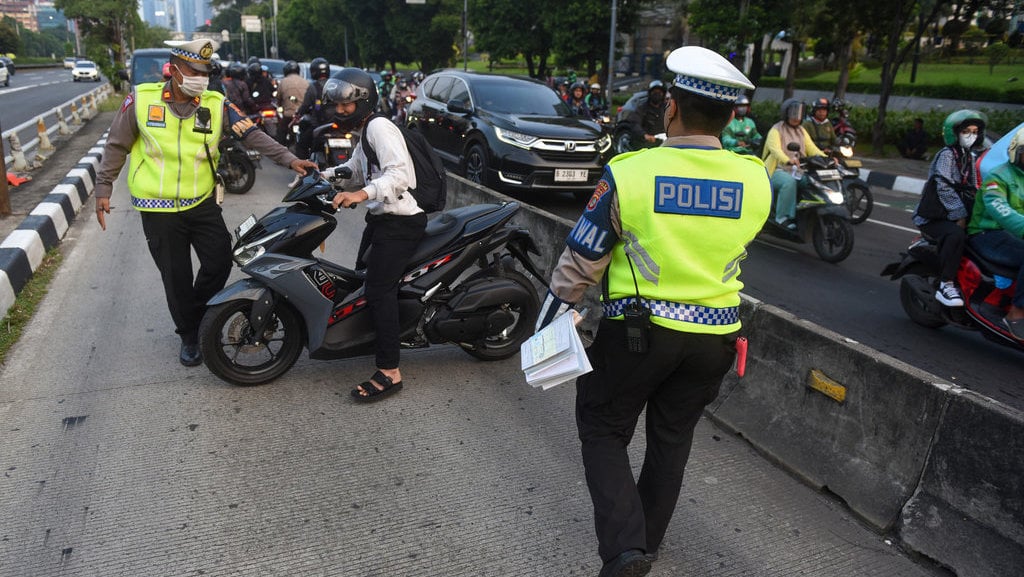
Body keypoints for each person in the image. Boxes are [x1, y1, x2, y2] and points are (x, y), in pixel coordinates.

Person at [534, 45, 770, 577]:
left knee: (602, 424)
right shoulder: (755, 178)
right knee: (673, 437)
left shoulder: (631, 172)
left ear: (670, 108)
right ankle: (650, 541)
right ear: (733, 116)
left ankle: (624, 551)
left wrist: (549, 321)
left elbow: (582, 261)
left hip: (638, 334)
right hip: (716, 337)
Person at [93, 39, 318, 366]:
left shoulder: (216, 103)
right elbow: (116, 146)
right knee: (176, 276)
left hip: (201, 202)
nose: (201, 77)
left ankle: (197, 315)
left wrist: (289, 159)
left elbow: (251, 133)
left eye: (206, 72)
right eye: (195, 71)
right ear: (175, 67)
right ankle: (189, 334)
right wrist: (104, 187)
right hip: (158, 209)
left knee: (219, 262)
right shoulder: (141, 100)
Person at [318, 68, 427, 403]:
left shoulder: (380, 127)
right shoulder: (365, 131)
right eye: (336, 105)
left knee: (379, 290)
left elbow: (400, 175)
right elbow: (354, 170)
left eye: (346, 105)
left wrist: (361, 196)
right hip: (381, 221)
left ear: (363, 102)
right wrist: (321, 176)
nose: (340, 111)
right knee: (363, 279)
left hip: (401, 222)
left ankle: (391, 371)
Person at [912, 109, 987, 307]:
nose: (971, 135)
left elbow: (973, 186)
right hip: (935, 216)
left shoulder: (968, 156)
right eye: (966, 131)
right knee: (956, 235)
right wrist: (960, 215)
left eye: (974, 131)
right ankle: (946, 284)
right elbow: (943, 187)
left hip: (953, 212)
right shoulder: (947, 155)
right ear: (955, 133)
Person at [968, 127, 1024, 337]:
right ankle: (1016, 314)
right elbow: (1000, 209)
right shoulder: (999, 176)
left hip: (1013, 235)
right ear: (1016, 152)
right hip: (988, 234)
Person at [762, 98, 828, 230]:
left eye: (799, 114)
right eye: (793, 113)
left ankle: (804, 212)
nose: (796, 118)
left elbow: (812, 148)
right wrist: (788, 159)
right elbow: (775, 150)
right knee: (789, 182)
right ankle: (782, 217)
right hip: (776, 170)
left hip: (796, 170)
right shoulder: (776, 130)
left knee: (810, 181)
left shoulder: (801, 131)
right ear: (786, 113)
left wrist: (827, 159)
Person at [295, 57, 333, 158]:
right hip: (337, 124)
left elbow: (305, 105)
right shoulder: (334, 84)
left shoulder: (313, 87)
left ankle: (305, 170)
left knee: (301, 145)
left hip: (319, 125)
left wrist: (298, 114)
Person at [277, 60, 309, 144]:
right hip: (302, 116)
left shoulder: (283, 82)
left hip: (289, 115)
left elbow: (278, 98)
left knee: (281, 133)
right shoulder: (305, 82)